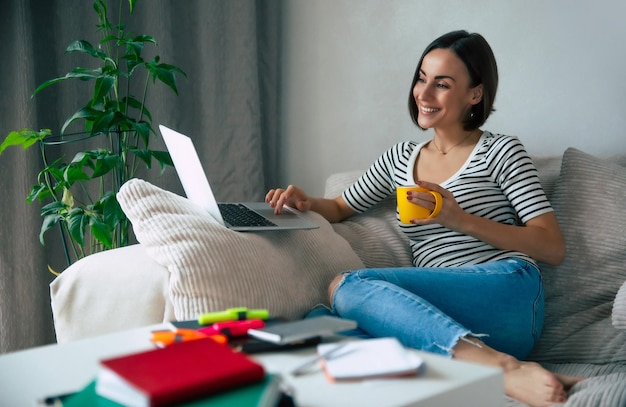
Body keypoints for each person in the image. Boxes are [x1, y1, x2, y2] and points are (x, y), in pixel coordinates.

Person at [266, 30, 582, 407]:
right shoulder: (401, 158)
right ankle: (493, 369)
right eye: (421, 78)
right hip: (445, 320)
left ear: (475, 94)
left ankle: (505, 369)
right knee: (321, 322)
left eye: (442, 84)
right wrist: (305, 201)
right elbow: (339, 207)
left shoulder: (501, 150)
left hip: (507, 294)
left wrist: (459, 219)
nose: (424, 94)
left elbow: (551, 246)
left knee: (346, 288)